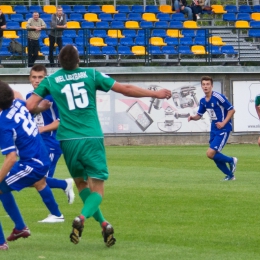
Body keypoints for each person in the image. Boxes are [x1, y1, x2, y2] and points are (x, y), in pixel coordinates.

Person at [26, 45, 172, 247]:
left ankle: (104, 223)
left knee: (81, 184)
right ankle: (81, 218)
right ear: (79, 61)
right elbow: (125, 89)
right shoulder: (91, 74)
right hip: (91, 136)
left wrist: (40, 108)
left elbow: (30, 106)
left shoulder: (51, 80)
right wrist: (154, 94)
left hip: (67, 140)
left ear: (59, 62)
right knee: (98, 189)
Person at [0, 81, 61, 249]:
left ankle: (2, 243)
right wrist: (40, 108)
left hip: (32, 164)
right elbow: (20, 97)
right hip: (40, 156)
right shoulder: (18, 103)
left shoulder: (4, 123)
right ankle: (20, 228)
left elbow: (11, 158)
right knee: (2, 189)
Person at [27, 64, 75, 210]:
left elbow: (63, 121)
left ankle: (56, 212)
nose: (37, 80)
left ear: (46, 78)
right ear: (30, 79)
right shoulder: (30, 97)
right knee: (35, 178)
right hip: (38, 143)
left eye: (40, 77)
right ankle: (64, 186)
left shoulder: (54, 95)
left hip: (53, 142)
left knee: (39, 180)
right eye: (34, 77)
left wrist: (41, 129)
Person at [188, 76, 237, 181]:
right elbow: (199, 115)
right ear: (201, 86)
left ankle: (231, 160)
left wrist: (224, 123)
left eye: (207, 84)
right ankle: (230, 175)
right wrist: (192, 118)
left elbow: (232, 110)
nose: (205, 86)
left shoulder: (218, 97)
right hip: (214, 129)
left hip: (223, 129)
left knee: (210, 153)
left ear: (212, 86)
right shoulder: (203, 101)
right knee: (213, 154)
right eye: (204, 84)